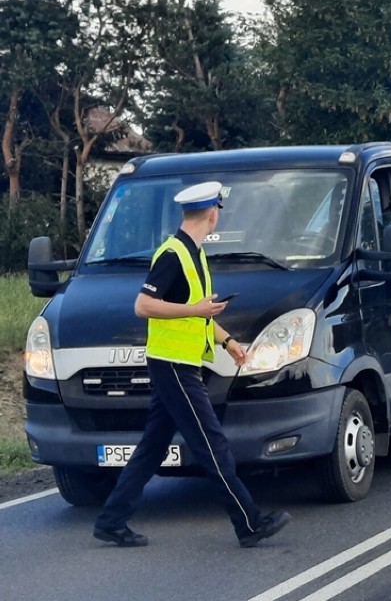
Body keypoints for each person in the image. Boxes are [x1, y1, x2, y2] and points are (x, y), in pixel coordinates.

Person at [93, 182, 291, 548]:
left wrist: (228, 340)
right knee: (212, 445)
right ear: (213, 213)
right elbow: (143, 306)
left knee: (153, 447)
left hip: (180, 364)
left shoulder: (194, 254)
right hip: (173, 366)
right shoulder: (172, 255)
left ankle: (110, 521)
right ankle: (249, 523)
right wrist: (195, 310)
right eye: (219, 210)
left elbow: (197, 313)